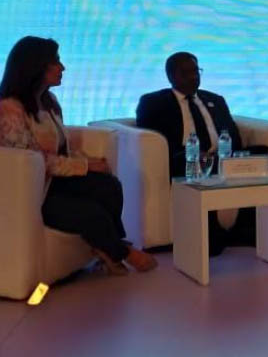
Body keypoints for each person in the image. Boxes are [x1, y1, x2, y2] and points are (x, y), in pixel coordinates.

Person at [0, 36, 157, 275]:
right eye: (56, 62)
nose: (62, 68)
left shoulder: (48, 101)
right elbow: (35, 162)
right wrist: (85, 166)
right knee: (91, 213)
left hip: (56, 181)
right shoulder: (9, 109)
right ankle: (121, 252)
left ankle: (110, 246)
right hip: (33, 191)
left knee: (109, 186)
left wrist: (90, 162)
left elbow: (61, 146)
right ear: (35, 66)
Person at [136, 52, 268, 255]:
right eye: (186, 73)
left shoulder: (215, 100)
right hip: (185, 158)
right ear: (171, 76)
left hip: (221, 156)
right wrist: (191, 152)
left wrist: (230, 153)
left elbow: (232, 134)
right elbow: (153, 137)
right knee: (197, 163)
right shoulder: (154, 102)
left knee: (263, 153)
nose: (193, 77)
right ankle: (210, 235)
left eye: (196, 71)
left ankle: (244, 228)